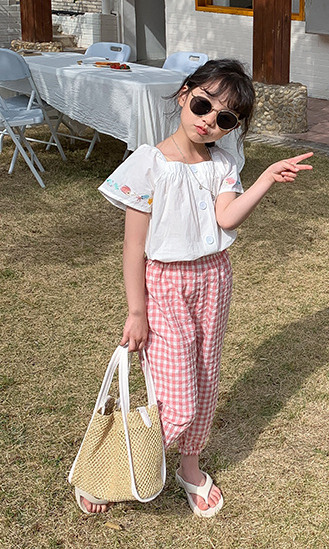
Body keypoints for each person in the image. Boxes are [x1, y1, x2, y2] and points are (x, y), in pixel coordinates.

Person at [76, 58, 312, 517]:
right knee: (177, 400)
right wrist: (136, 311)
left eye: (226, 118)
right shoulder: (147, 163)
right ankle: (108, 471)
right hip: (165, 285)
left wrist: (265, 178)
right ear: (185, 94)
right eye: (203, 105)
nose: (209, 121)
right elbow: (134, 247)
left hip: (215, 278)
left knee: (205, 381)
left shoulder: (223, 163)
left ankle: (189, 468)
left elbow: (227, 218)